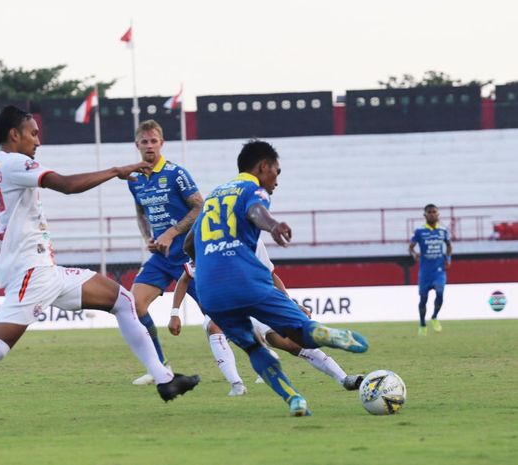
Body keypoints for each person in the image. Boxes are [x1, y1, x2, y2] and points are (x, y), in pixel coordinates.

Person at [0, 106, 199, 427]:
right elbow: (65, 185)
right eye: (33, 133)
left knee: (122, 301)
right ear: (15, 135)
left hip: (43, 269)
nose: (38, 140)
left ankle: (164, 380)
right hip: (31, 273)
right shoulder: (15, 162)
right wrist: (115, 171)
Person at [186, 139, 368, 417]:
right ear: (263, 166)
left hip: (210, 291)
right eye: (276, 172)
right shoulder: (252, 189)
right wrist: (273, 226)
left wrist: (208, 259)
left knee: (252, 347)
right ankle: (322, 333)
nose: (276, 180)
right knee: (299, 334)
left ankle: (294, 398)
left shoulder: (213, 197)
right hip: (246, 279)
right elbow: (255, 212)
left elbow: (188, 243)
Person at [169, 239, 363, 396]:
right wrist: (175, 313)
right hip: (226, 306)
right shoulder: (211, 247)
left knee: (292, 344)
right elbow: (185, 278)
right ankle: (236, 384)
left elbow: (271, 276)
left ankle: (344, 378)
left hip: (257, 303)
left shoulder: (254, 242)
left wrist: (290, 304)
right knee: (213, 326)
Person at [127, 120, 204, 385]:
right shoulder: (134, 179)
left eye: (153, 141)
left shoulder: (176, 174)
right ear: (137, 145)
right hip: (161, 258)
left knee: (220, 314)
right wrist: (148, 237)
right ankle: (159, 367)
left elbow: (199, 207)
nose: (149, 146)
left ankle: (263, 351)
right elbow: (140, 213)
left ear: (161, 143)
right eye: (144, 142)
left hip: (189, 256)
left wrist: (171, 233)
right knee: (133, 306)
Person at [409, 204, 452, 336]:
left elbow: (449, 245)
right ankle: (422, 324)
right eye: (430, 212)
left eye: (434, 212)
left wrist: (448, 259)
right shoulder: (419, 231)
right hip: (425, 272)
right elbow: (411, 247)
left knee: (440, 292)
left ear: (438, 214)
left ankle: (434, 316)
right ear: (425, 215)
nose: (432, 214)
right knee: (423, 299)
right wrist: (414, 254)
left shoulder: (443, 231)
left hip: (439, 270)